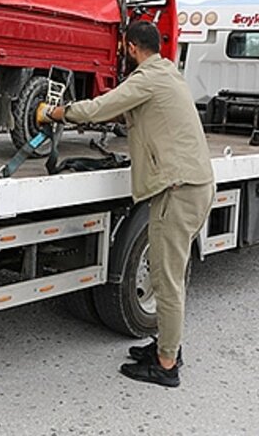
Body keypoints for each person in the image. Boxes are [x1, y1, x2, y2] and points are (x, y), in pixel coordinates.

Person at [37, 20, 215, 388]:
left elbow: (101, 106)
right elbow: (127, 112)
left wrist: (55, 112)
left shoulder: (146, 79)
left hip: (177, 191)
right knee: (169, 275)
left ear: (131, 47)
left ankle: (166, 365)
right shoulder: (167, 73)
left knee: (166, 282)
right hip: (192, 184)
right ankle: (166, 346)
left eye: (123, 48)